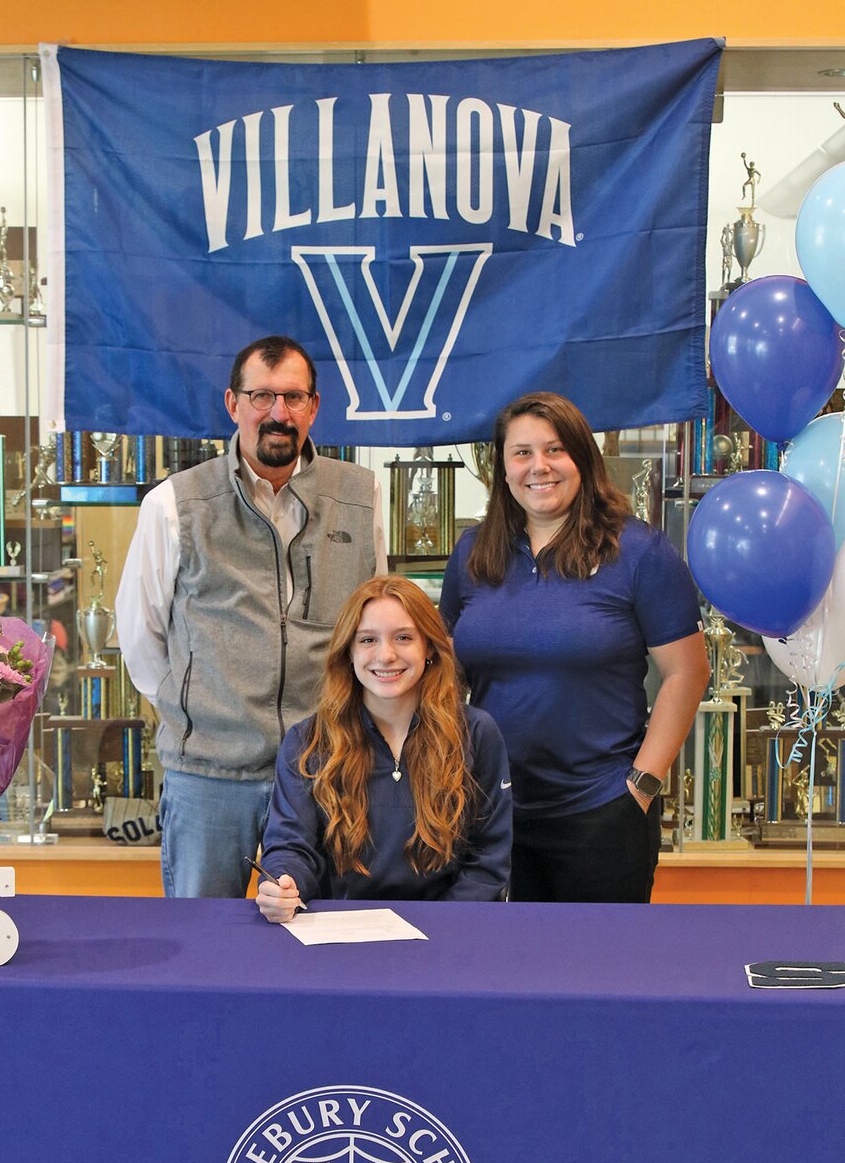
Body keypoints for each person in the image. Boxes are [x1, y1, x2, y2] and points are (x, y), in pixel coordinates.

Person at [116, 336, 386, 898]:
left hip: (326, 767)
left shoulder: (360, 498)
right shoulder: (175, 504)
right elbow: (141, 636)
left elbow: (374, 620)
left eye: (292, 398)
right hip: (210, 776)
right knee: (202, 947)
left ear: (314, 407)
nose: (277, 414)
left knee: (324, 943)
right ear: (232, 404)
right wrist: (195, 711)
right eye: (261, 396)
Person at [439, 392, 709, 904]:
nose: (538, 466)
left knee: (598, 977)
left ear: (582, 458)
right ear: (502, 466)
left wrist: (641, 788)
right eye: (521, 453)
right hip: (492, 812)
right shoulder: (474, 553)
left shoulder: (640, 552)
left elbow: (688, 673)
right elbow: (445, 672)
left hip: (603, 813)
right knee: (505, 973)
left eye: (555, 450)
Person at [256, 575, 512, 922]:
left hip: (448, 931)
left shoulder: (477, 733)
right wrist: (284, 884)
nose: (386, 655)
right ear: (348, 652)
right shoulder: (307, 740)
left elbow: (488, 860)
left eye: (404, 638)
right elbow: (290, 846)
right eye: (368, 640)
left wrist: (444, 929)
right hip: (339, 929)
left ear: (430, 649)